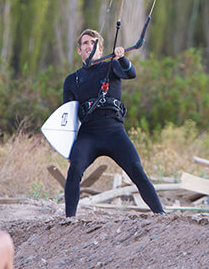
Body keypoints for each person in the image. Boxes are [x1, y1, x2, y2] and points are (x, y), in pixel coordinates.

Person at [62, 28, 164, 217]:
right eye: (85, 43)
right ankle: (70, 220)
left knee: (136, 168)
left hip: (114, 131)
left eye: (93, 43)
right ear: (79, 50)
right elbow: (67, 117)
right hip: (88, 134)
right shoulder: (72, 80)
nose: (89, 47)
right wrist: (68, 147)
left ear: (100, 49)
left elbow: (130, 73)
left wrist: (122, 58)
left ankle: (161, 214)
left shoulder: (112, 66)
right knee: (74, 168)